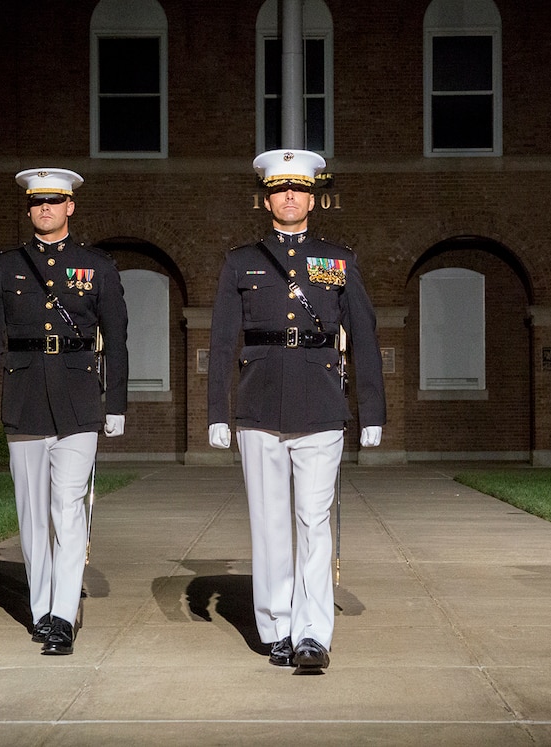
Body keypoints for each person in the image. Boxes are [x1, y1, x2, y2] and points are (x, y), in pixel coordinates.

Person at [207, 149, 387, 673]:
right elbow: (221, 342)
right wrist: (219, 411)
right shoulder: (240, 262)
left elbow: (366, 340)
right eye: (280, 189)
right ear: (267, 199)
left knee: (313, 522)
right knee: (268, 524)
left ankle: (313, 634)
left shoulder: (339, 260)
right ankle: (276, 629)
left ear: (313, 198)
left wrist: (371, 411)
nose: (290, 196)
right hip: (259, 403)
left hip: (320, 403)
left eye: (299, 189)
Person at [0, 168, 128, 656]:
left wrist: (116, 403)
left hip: (79, 400)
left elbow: (117, 340)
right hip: (23, 400)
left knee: (68, 508)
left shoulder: (97, 266)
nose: (45, 209)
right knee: (33, 516)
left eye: (54, 202)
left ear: (70, 207)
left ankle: (63, 614)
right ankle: (42, 611)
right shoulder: (3, 266)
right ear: (29, 209)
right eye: (37, 203)